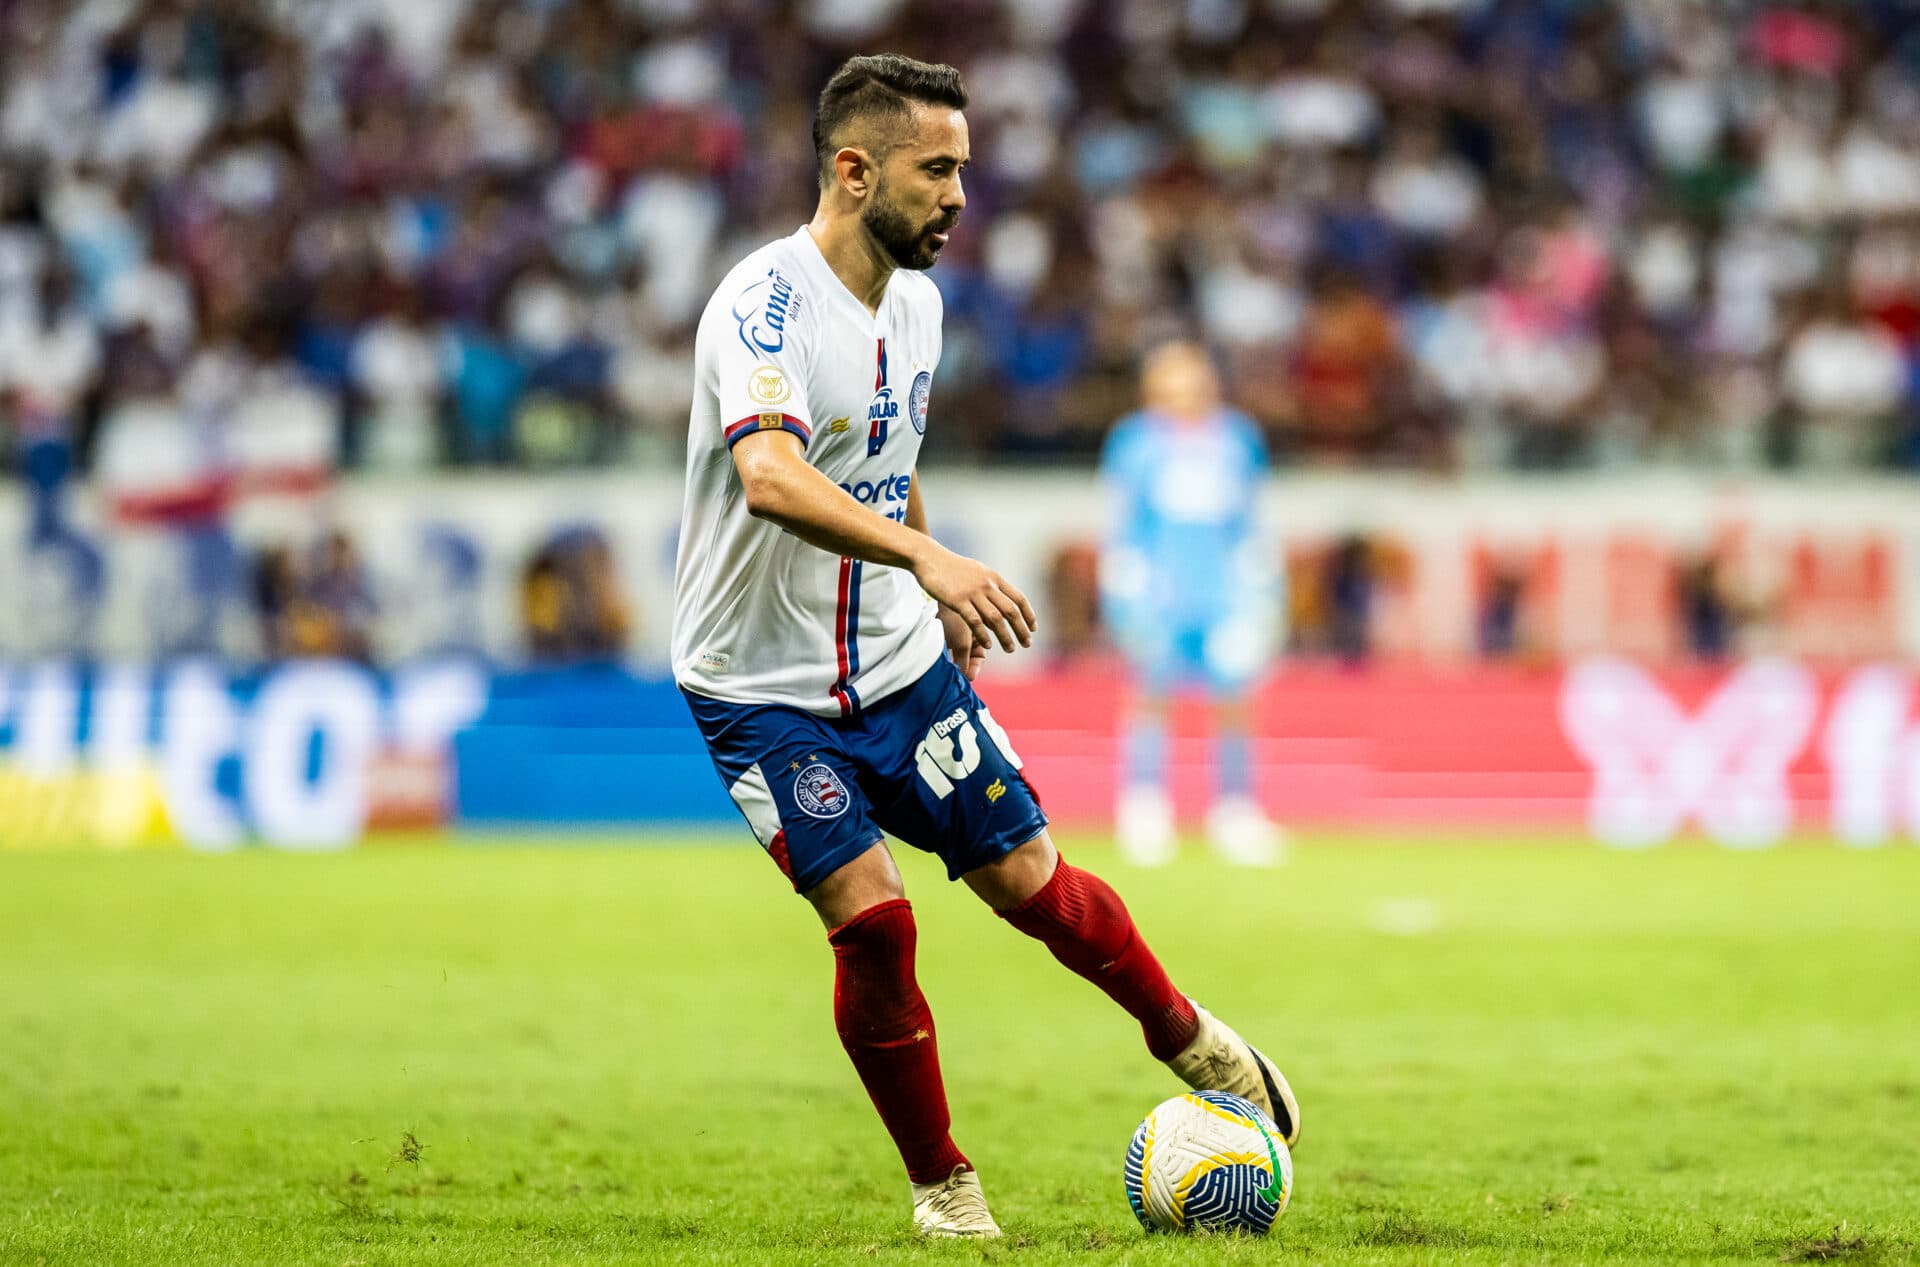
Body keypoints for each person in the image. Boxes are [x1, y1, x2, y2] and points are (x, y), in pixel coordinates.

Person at [671, 55, 1299, 1239]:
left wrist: (925, 557)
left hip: (899, 664)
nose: (963, 195)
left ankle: (1194, 1041)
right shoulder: (762, 307)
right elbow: (770, 474)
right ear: (854, 172)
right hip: (758, 686)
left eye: (965, 166)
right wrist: (932, 561)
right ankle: (944, 1188)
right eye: (939, 170)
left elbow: (883, 463)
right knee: (875, 916)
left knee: (1033, 885)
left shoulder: (919, 301)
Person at [1099, 342, 1287, 867]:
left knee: (1234, 700)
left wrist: (1262, 594)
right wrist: (1124, 592)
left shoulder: (1237, 439)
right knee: (1150, 695)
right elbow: (1124, 523)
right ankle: (1144, 805)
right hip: (1160, 591)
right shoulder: (1134, 443)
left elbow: (1250, 521)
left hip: (1223, 592)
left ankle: (1234, 808)